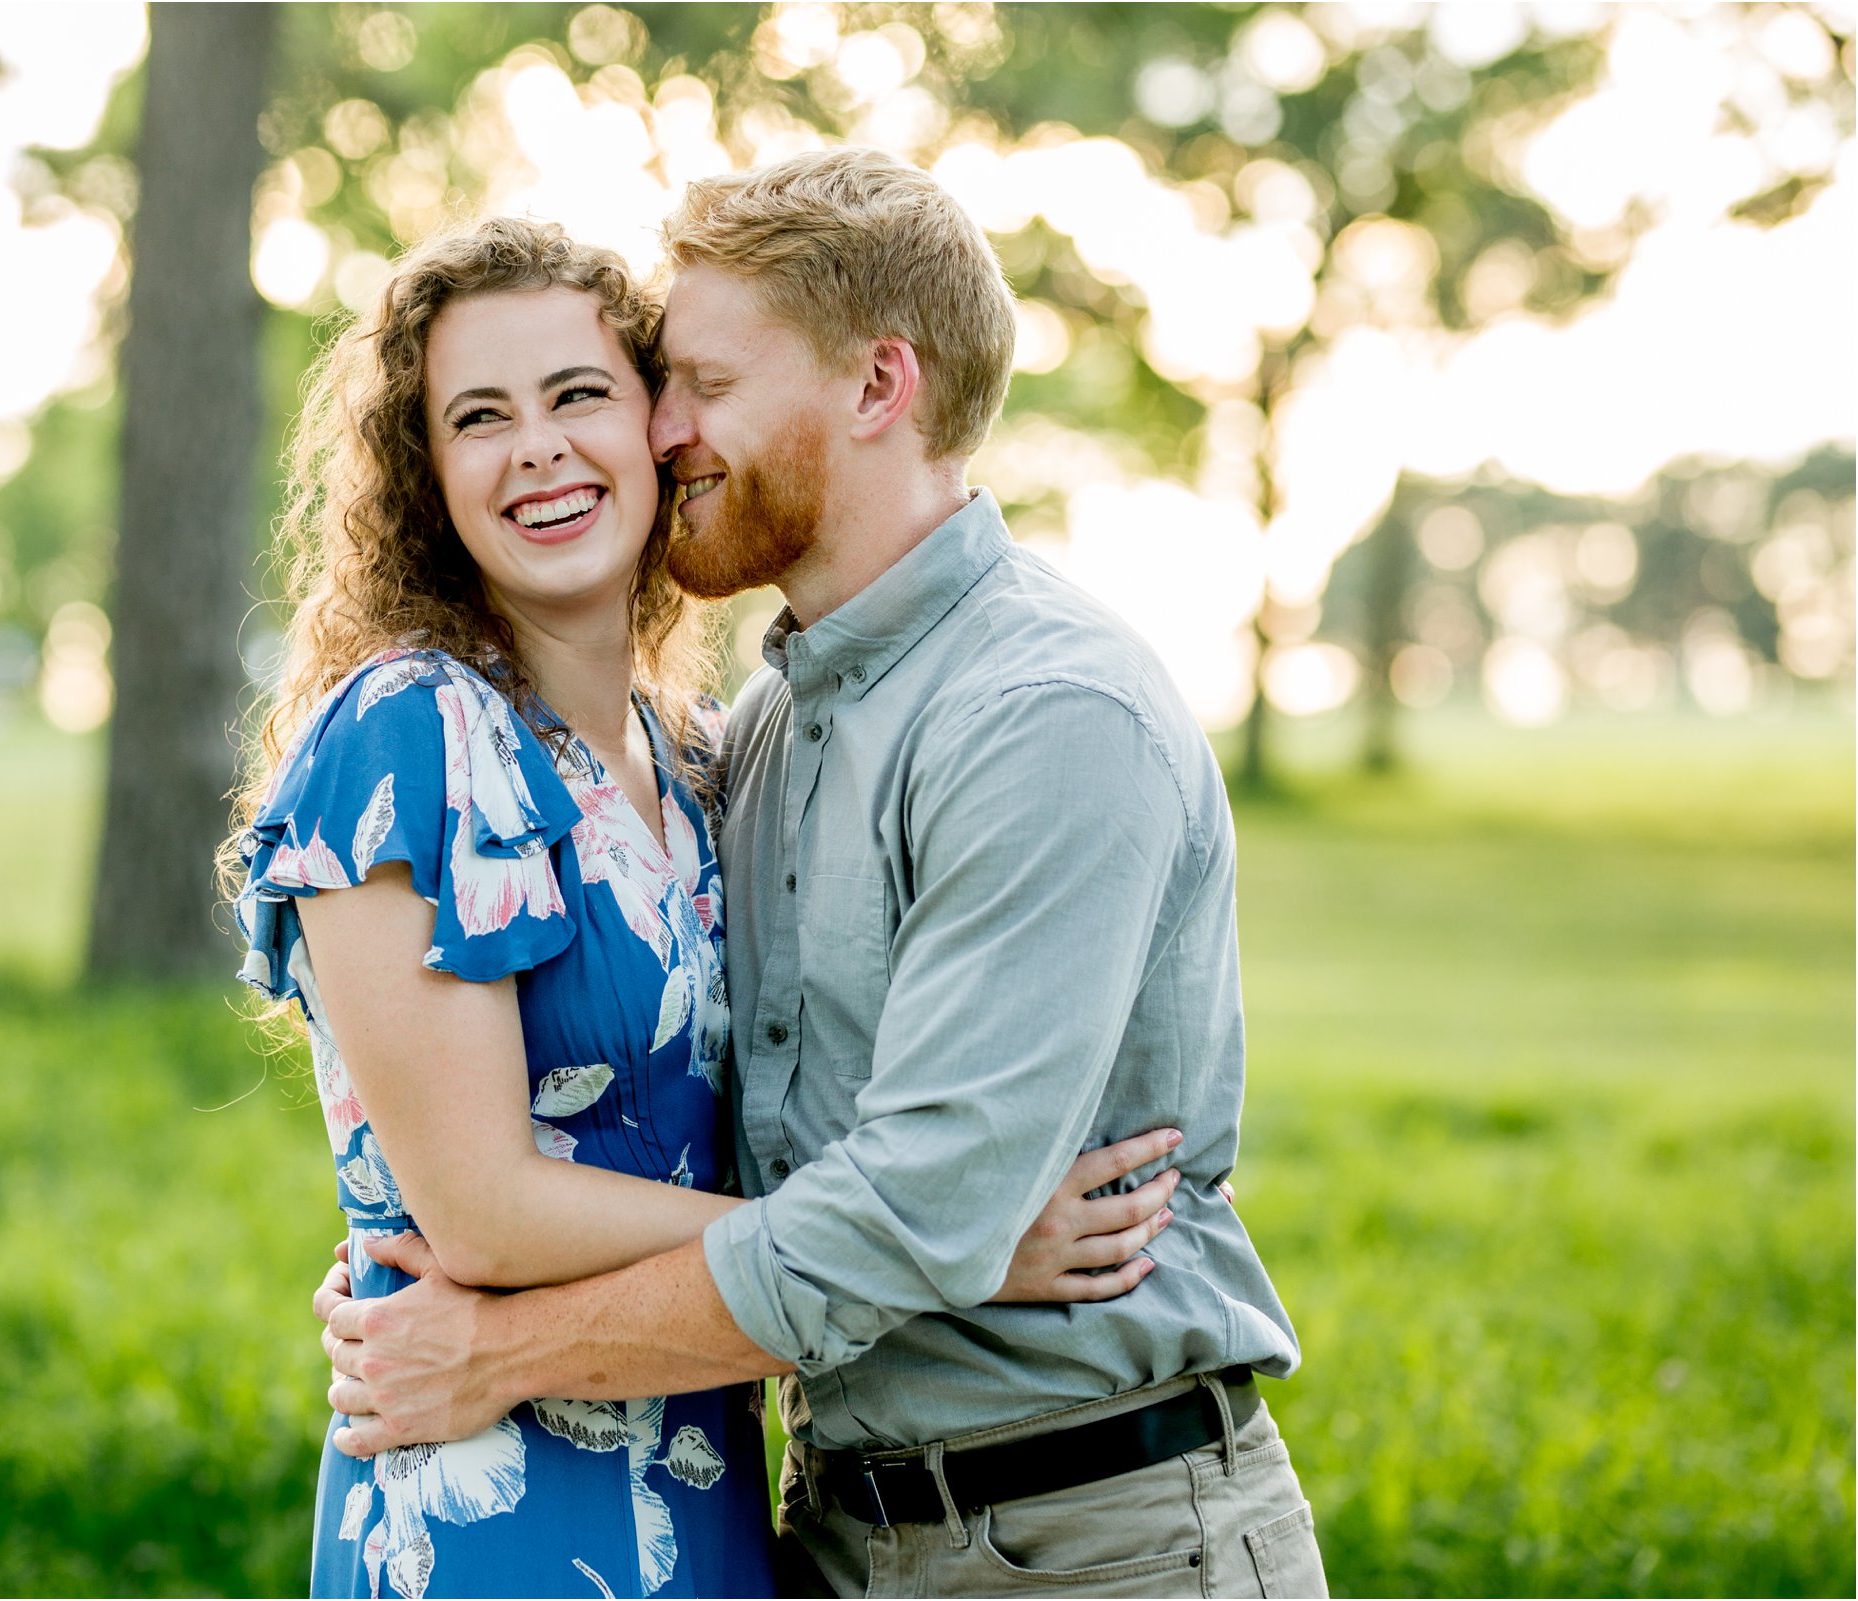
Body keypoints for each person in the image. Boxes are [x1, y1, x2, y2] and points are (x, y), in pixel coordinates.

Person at [313, 153, 1332, 1599]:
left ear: (876, 388)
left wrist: (495, 1346)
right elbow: (719, 1144)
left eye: (702, 386)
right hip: (827, 1533)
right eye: (659, 386)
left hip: (1091, 1536)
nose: (665, 432)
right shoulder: (764, 729)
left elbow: (916, 1216)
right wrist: (407, 1244)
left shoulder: (1042, 715)